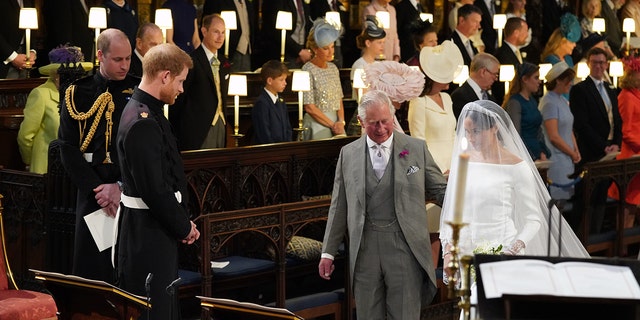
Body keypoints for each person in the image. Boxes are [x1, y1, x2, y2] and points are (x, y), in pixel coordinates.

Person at [439, 100, 589, 316]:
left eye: (477, 132)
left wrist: (513, 248)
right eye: (467, 132)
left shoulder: (517, 167)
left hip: (503, 249)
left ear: (495, 128)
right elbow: (452, 210)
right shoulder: (464, 162)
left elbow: (533, 218)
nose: (470, 138)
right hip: (466, 250)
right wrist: (447, 251)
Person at [319, 89, 448, 320]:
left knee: (405, 314)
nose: (380, 129)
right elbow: (339, 206)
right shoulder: (348, 154)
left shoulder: (416, 148)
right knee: (368, 315)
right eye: (373, 123)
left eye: (385, 121)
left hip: (405, 247)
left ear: (391, 116)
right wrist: (328, 252)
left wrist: (469, 205)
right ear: (360, 121)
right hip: (364, 249)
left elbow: (440, 191)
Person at [116, 43, 199, 320]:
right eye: (180, 81)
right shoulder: (142, 121)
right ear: (165, 76)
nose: (181, 89)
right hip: (147, 232)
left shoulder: (147, 111)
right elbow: (154, 189)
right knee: (154, 312)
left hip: (154, 228)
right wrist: (183, 226)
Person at [58, 28, 139, 283]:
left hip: (130, 192)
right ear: (101, 55)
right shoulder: (77, 92)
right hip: (92, 192)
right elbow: (67, 148)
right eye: (118, 59)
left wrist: (119, 187)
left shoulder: (139, 91)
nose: (125, 65)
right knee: (92, 273)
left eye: (128, 58)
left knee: (128, 270)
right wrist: (100, 191)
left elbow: (145, 150)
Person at [408, 40, 462, 265]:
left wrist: (458, 165)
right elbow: (417, 141)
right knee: (433, 229)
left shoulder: (448, 99)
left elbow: (455, 134)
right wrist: (437, 172)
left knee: (454, 228)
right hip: (434, 171)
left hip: (454, 167)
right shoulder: (418, 102)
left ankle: (451, 284)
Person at [570, 47, 622, 233]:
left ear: (606, 64)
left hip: (610, 152)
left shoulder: (610, 89)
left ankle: (596, 237)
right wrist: (603, 145)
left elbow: (617, 119)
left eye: (602, 62)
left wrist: (616, 143)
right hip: (591, 152)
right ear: (589, 64)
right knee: (587, 200)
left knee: (601, 197)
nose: (599, 66)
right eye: (595, 62)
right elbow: (582, 125)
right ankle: (583, 239)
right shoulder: (580, 89)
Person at [18, 46, 92, 174]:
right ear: (56, 75)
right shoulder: (41, 94)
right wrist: (30, 161)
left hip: (75, 170)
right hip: (46, 169)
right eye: (68, 74)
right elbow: (25, 136)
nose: (75, 78)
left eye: (78, 74)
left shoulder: (82, 95)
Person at [171, 14, 228, 150]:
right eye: (216, 32)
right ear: (204, 31)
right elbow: (180, 99)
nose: (220, 37)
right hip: (197, 129)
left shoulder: (224, 61)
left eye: (223, 32)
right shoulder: (192, 61)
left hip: (221, 124)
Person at [540, 62, 580, 206]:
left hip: (567, 156)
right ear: (557, 80)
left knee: (564, 203)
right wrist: (572, 152)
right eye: (567, 80)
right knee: (557, 205)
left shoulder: (562, 100)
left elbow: (569, 129)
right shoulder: (549, 102)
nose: (570, 84)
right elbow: (554, 136)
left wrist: (576, 150)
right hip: (557, 157)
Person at [608, 55, 640, 226]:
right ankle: (622, 245)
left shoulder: (636, 95)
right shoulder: (626, 97)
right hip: (630, 153)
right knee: (627, 201)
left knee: (633, 201)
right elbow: (625, 130)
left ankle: (627, 245)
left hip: (638, 153)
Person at [302, 18, 345, 140]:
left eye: (332, 47)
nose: (331, 52)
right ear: (315, 49)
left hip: (337, 124)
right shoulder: (307, 69)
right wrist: (332, 125)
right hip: (317, 123)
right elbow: (309, 107)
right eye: (326, 48)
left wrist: (341, 122)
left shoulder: (333, 68)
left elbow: (339, 100)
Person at [503, 62, 550, 161]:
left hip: (537, 153)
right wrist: (531, 156)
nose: (539, 82)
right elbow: (516, 135)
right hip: (525, 155)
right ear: (525, 79)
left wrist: (542, 151)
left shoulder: (532, 100)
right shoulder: (515, 102)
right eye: (536, 78)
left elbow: (538, 131)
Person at [203, 0, 256, 72]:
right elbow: (208, 23)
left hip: (247, 51)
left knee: (245, 78)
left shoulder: (248, 4)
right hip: (227, 50)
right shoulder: (217, 2)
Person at [261, 0, 313, 69]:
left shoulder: (302, 2)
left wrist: (305, 50)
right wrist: (299, 51)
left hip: (302, 55)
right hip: (283, 53)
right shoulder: (277, 2)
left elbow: (306, 26)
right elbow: (276, 31)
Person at [43, 0, 94, 67]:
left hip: (83, 59)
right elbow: (63, 32)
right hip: (71, 63)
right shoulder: (62, 2)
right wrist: (71, 60)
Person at [252, 60, 292, 144]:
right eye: (281, 80)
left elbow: (288, 128)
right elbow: (264, 132)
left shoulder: (281, 101)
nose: (285, 83)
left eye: (285, 80)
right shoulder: (262, 103)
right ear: (269, 81)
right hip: (269, 151)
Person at [491, 17, 529, 105]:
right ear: (516, 33)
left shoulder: (517, 52)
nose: (527, 35)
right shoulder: (501, 54)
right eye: (525, 31)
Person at [451, 52, 500, 119]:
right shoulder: (459, 96)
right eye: (494, 74)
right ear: (483, 72)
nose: (496, 78)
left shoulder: (491, 98)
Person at [350, 15, 386, 95]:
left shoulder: (378, 64)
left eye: (384, 42)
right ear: (368, 43)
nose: (382, 46)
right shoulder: (359, 66)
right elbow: (361, 95)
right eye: (379, 43)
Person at [0, 0, 36, 79]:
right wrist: (13, 57)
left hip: (25, 56)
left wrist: (32, 51)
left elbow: (31, 22)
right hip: (4, 59)